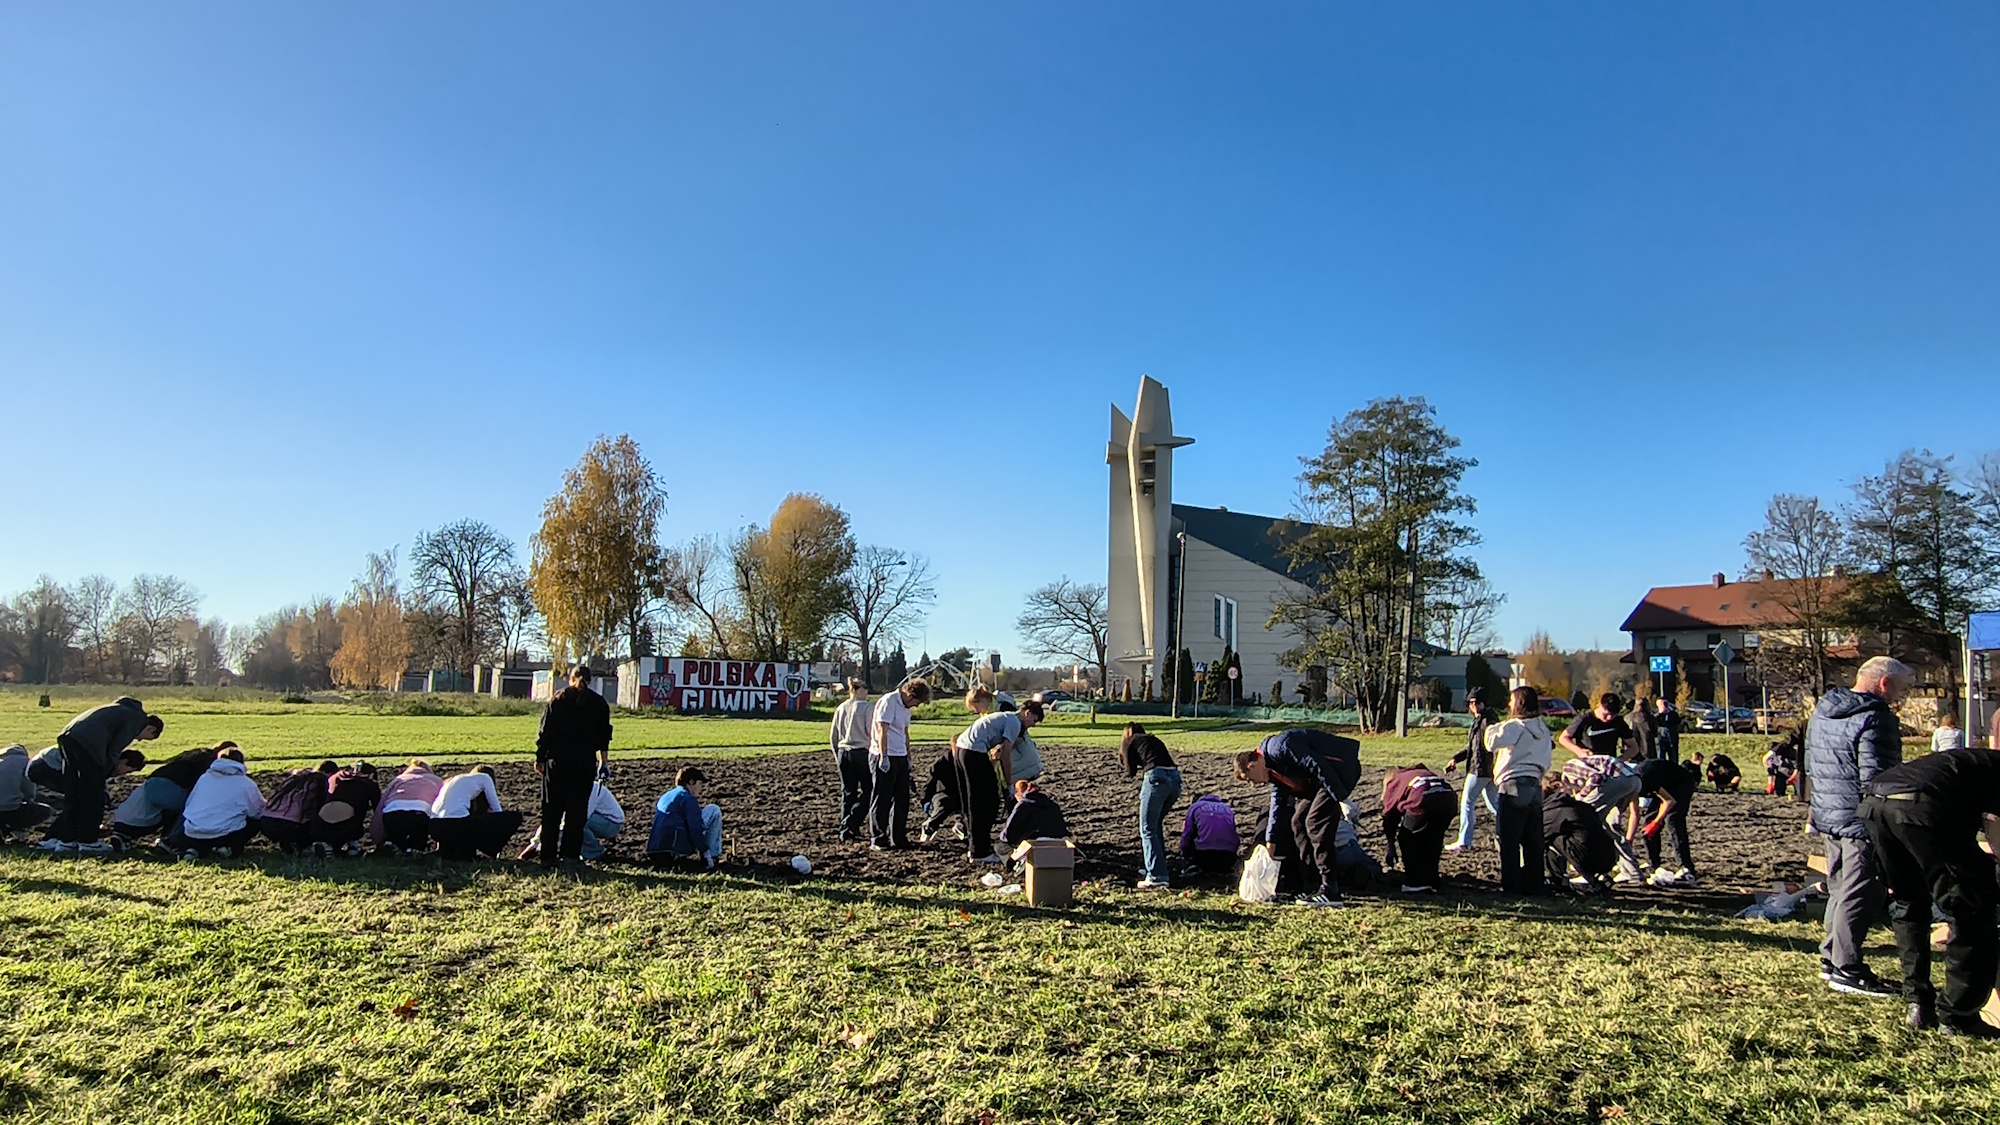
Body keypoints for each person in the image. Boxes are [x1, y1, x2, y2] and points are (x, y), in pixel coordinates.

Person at [1860, 747, 2000, 1037]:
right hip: (1923, 806)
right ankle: (1959, 1015)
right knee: (1970, 905)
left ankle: (1918, 1005)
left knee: (1909, 902)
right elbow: (1995, 829)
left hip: (1876, 802)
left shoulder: (1979, 763)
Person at [1806, 655, 1914, 1000]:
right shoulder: (1876, 718)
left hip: (1828, 811)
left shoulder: (1823, 712)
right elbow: (1879, 777)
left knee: (1839, 886)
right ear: (1884, 684)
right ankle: (1847, 967)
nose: (1903, 696)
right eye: (1903, 688)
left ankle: (1831, 958)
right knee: (1861, 890)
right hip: (1859, 817)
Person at [1233, 728, 1363, 908]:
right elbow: (1278, 805)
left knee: (1315, 823)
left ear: (1251, 766)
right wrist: (1271, 843)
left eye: (1249, 779)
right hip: (1320, 781)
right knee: (1298, 822)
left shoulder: (1279, 747)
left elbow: (1319, 765)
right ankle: (1311, 885)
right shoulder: (1272, 768)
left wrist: (1343, 799)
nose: (1254, 784)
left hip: (1339, 769)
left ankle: (1330, 889)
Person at [40, 697, 163, 854]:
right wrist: (103, 773)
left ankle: (66, 841)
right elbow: (115, 750)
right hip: (89, 744)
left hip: (68, 737)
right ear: (151, 729)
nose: (138, 739)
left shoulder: (117, 709)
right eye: (144, 738)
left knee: (75, 793)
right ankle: (88, 841)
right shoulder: (136, 718)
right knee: (94, 796)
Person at [535, 664, 615, 871]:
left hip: (557, 761)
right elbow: (604, 737)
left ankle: (547, 857)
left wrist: (540, 758)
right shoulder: (598, 704)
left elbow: (545, 732)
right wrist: (604, 762)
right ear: (590, 680)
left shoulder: (557, 700)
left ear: (571, 678)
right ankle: (570, 857)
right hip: (583, 762)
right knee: (576, 812)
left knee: (551, 809)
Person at [952, 699, 1043, 864]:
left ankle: (976, 847)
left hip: (962, 750)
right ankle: (979, 852)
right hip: (973, 753)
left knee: (976, 802)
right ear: (1027, 713)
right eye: (1034, 720)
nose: (1033, 725)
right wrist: (1009, 785)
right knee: (986, 803)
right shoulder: (1014, 722)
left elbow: (1000, 750)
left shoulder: (1006, 718)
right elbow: (1006, 757)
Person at [1486, 686, 1554, 894]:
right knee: (1532, 838)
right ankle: (1534, 882)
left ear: (1518, 704)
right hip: (1534, 784)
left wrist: (1492, 726)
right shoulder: (1542, 728)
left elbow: (1491, 743)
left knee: (1509, 838)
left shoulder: (1515, 726)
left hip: (1513, 783)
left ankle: (1511, 883)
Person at [1557, 754, 1647, 882]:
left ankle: (1589, 872)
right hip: (1633, 782)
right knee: (1612, 829)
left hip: (1617, 781)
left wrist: (1580, 798)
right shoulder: (1588, 766)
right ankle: (1632, 872)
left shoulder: (1569, 767)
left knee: (1585, 822)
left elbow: (1596, 777)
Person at [164, 748, 265, 859]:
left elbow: (190, 804)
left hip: (193, 833)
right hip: (226, 835)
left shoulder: (204, 778)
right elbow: (257, 811)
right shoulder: (245, 783)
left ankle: (193, 849)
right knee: (254, 822)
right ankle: (228, 847)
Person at [868, 679, 931, 851]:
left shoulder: (905, 708)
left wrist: (908, 756)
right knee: (882, 798)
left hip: (900, 756)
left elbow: (905, 733)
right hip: (885, 756)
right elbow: (882, 730)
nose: (916, 706)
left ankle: (898, 837)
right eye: (917, 702)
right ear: (910, 695)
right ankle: (878, 838)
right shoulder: (889, 702)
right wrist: (884, 756)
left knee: (902, 799)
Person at [1119, 722, 1181, 890]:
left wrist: (1125, 758)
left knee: (1147, 829)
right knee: (1155, 826)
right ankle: (1155, 868)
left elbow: (1129, 772)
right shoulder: (1154, 739)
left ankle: (1156, 876)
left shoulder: (1129, 741)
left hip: (1156, 778)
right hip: (1174, 779)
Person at [1380, 764, 1456, 894]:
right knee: (1434, 839)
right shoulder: (1420, 773)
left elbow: (1389, 815)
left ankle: (1415, 881)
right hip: (1448, 800)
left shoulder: (1397, 780)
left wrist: (1391, 843)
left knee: (1408, 838)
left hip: (1422, 801)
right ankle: (1432, 879)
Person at [138, 742, 233, 839]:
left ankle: (164, 835)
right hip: (168, 787)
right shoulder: (211, 763)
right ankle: (172, 838)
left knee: (175, 807)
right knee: (192, 807)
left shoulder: (198, 754)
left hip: (151, 783)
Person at [1445, 688, 1499, 852]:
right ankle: (1512, 833)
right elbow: (1472, 748)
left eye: (1476, 702)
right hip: (1487, 770)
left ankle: (1464, 841)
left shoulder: (1485, 722)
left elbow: (1483, 748)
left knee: (1467, 803)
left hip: (1479, 769)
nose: (1473, 706)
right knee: (1495, 805)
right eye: (1471, 703)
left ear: (1483, 703)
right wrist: (1456, 758)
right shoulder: (1482, 720)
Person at [1543, 773, 1618, 891]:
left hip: (1586, 858)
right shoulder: (1582, 806)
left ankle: (1559, 878)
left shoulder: (1553, 810)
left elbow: (1539, 837)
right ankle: (1597, 876)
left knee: (1551, 837)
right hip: (1610, 857)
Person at [429, 765, 523, 859]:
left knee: (468, 823)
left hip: (434, 826)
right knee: (514, 817)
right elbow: (496, 810)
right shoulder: (485, 778)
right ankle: (492, 852)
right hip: (456, 825)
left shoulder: (454, 780)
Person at [1631, 757, 1699, 887]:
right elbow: (1634, 814)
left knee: (1673, 821)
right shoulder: (1629, 786)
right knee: (1648, 822)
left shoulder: (1645, 780)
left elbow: (1669, 801)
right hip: (1664, 786)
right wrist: (1628, 841)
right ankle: (1653, 864)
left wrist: (1657, 823)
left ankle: (1687, 868)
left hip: (1681, 783)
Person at [647, 766, 723, 869]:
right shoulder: (688, 798)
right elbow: (695, 828)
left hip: (655, 849)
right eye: (700, 784)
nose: (701, 789)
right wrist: (703, 849)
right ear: (691, 782)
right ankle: (712, 856)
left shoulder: (665, 796)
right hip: (674, 848)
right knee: (714, 810)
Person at [828, 678, 874, 842]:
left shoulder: (841, 708)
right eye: (865, 687)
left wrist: (837, 755)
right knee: (870, 790)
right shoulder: (867, 708)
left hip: (843, 752)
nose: (867, 691)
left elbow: (833, 736)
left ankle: (846, 828)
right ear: (857, 689)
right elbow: (871, 733)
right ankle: (850, 822)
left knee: (848, 793)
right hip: (861, 752)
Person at [260, 762, 336, 854]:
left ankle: (288, 845)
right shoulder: (319, 783)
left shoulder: (295, 779)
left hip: (266, 822)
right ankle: (302, 847)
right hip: (289, 826)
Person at [375, 759, 444, 855]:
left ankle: (391, 844)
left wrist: (377, 836)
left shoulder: (399, 779)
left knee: (395, 834)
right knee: (418, 834)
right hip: (418, 815)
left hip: (392, 813)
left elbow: (382, 803)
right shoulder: (437, 781)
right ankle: (414, 849)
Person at [312, 762, 381, 857]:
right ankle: (353, 844)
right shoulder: (369, 784)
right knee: (357, 811)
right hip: (348, 828)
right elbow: (377, 809)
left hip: (321, 826)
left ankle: (327, 844)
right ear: (372, 775)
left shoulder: (336, 779)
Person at [1559, 694, 1640, 761]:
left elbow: (1633, 747)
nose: (1609, 718)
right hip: (1587, 763)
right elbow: (1563, 738)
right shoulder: (1584, 719)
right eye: (1606, 714)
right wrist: (1579, 751)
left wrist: (1619, 760)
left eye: (1613, 715)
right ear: (1599, 706)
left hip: (1608, 767)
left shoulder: (1618, 722)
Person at [0, 744, 52, 840]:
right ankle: (15, 830)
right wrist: (29, 799)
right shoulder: (25, 762)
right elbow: (29, 789)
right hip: (9, 809)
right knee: (45, 811)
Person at [1000, 779, 1070, 849]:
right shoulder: (1052, 804)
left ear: (1018, 794)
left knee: (1001, 848)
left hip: (1037, 844)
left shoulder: (1023, 805)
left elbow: (1008, 835)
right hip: (1060, 842)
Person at [1179, 793, 1239, 874]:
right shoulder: (1227, 808)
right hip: (1228, 857)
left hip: (1203, 856)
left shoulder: (1195, 807)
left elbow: (1187, 834)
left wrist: (1185, 854)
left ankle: (1193, 865)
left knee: (1192, 831)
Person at [917, 751, 962, 843]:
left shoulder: (967, 761)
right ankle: (929, 827)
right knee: (944, 805)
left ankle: (961, 827)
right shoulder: (942, 763)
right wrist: (925, 800)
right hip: (943, 793)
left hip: (962, 793)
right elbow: (930, 782)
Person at [1628, 694, 1659, 764]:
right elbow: (1655, 733)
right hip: (1649, 750)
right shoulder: (1651, 719)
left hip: (1634, 751)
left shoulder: (1630, 718)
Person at [1654, 697, 1681, 763]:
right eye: (1662, 704)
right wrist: (1660, 714)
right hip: (1660, 739)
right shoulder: (1655, 715)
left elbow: (1678, 721)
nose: (1664, 705)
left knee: (1673, 758)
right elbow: (1654, 723)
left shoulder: (1673, 714)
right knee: (1660, 757)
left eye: (1665, 704)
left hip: (1671, 739)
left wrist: (1668, 712)